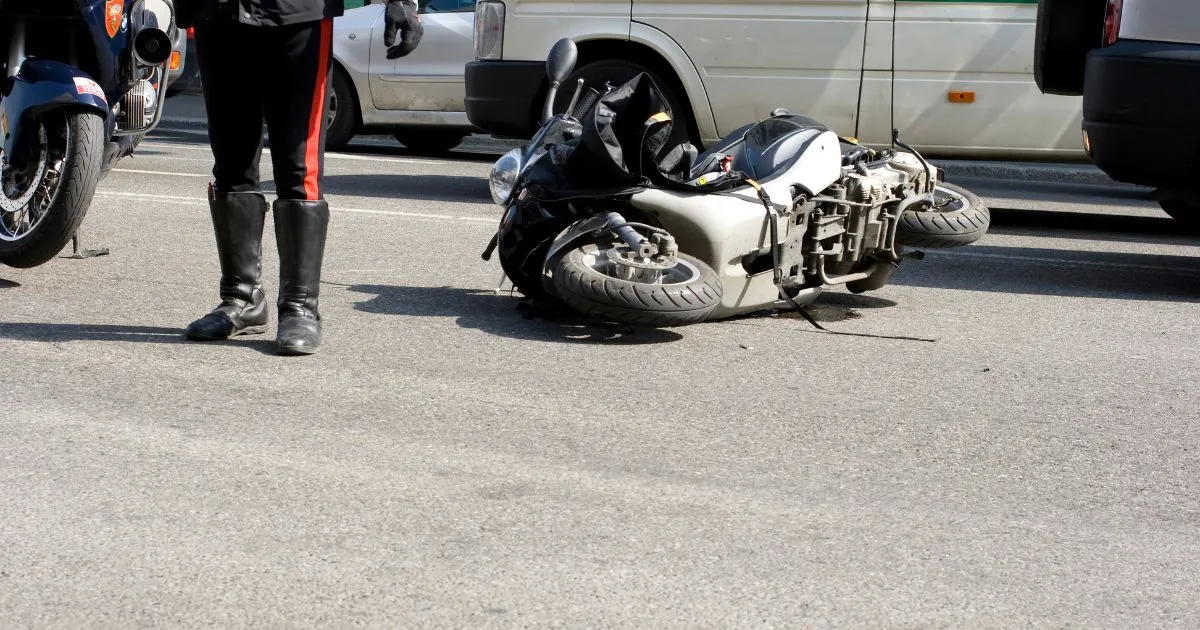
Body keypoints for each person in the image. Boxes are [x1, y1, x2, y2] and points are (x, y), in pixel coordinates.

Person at [174, 0, 423, 355]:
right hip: (218, 13)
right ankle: (241, 298)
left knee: (298, 166)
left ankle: (299, 305)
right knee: (231, 163)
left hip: (297, 13)